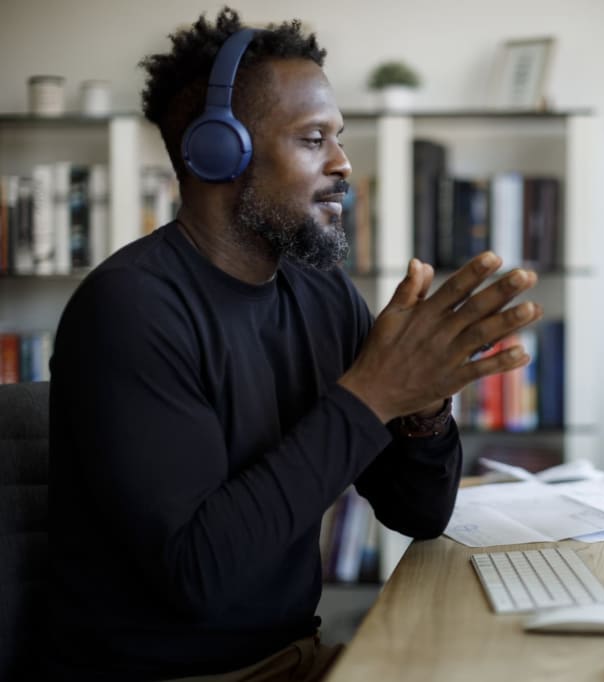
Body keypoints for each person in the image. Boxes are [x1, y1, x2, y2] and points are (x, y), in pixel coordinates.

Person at [46, 8, 542, 681]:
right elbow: (200, 579)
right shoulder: (130, 310)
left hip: (294, 659)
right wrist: (372, 393)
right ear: (219, 151)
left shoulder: (322, 293)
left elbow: (417, 513)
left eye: (338, 137)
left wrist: (424, 406)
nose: (342, 163)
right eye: (314, 139)